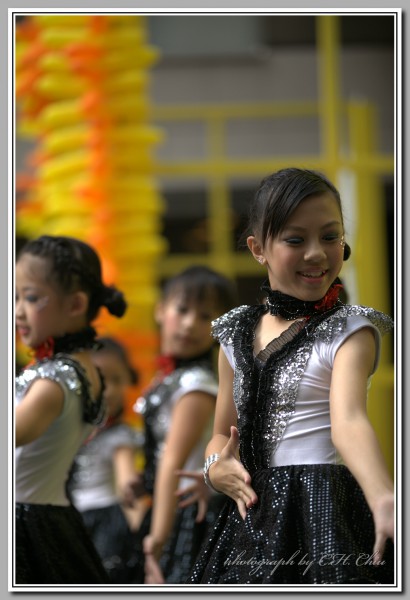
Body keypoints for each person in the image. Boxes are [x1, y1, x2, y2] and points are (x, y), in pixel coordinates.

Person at [187, 168, 395, 585]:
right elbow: (220, 434)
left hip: (322, 507)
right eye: (295, 240)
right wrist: (214, 469)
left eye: (330, 236)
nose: (317, 253)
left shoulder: (351, 330)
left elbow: (349, 422)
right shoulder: (234, 332)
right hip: (249, 515)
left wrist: (383, 497)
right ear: (258, 248)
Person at [14, 235, 127, 584]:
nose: (17, 310)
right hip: (50, 518)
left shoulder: (54, 381)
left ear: (76, 304)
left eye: (31, 298)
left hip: (25, 523)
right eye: (15, 296)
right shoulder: (81, 370)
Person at [134, 265, 238, 584]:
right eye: (182, 310)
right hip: (170, 506)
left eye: (205, 316)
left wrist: (158, 540)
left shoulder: (196, 385)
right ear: (160, 310)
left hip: (189, 513)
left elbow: (172, 462)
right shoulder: (171, 378)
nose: (190, 323)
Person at [66, 336, 146, 584]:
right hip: (73, 519)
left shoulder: (119, 437)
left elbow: (127, 487)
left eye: (116, 380)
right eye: (100, 379)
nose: (108, 390)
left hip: (104, 522)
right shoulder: (74, 432)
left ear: (129, 381)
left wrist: (143, 535)